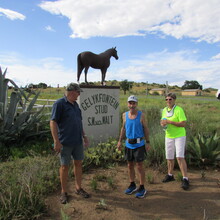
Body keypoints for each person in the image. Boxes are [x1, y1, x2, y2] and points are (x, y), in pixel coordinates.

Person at [50, 83, 90, 204]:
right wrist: (56, 141)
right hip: (65, 142)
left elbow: (79, 122)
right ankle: (64, 191)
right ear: (72, 92)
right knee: (64, 166)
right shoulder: (59, 104)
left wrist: (84, 136)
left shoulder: (76, 106)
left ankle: (78, 188)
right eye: (78, 92)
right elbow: (53, 122)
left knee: (78, 163)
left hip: (77, 141)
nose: (79, 95)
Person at [117, 95, 150, 198]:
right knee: (129, 165)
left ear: (136, 104)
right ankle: (132, 184)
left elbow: (145, 128)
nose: (132, 105)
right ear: (127, 104)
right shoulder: (124, 115)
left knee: (139, 166)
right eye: (130, 103)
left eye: (134, 103)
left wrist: (148, 142)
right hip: (128, 144)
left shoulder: (141, 115)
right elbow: (123, 128)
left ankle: (142, 187)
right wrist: (119, 141)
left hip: (139, 144)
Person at [160, 93, 189, 190]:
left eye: (170, 99)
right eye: (167, 99)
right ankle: (170, 175)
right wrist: (163, 124)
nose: (168, 101)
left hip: (179, 136)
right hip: (168, 135)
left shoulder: (179, 110)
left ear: (174, 100)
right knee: (169, 157)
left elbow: (183, 123)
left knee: (180, 157)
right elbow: (163, 120)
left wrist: (170, 122)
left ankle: (185, 178)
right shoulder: (164, 110)